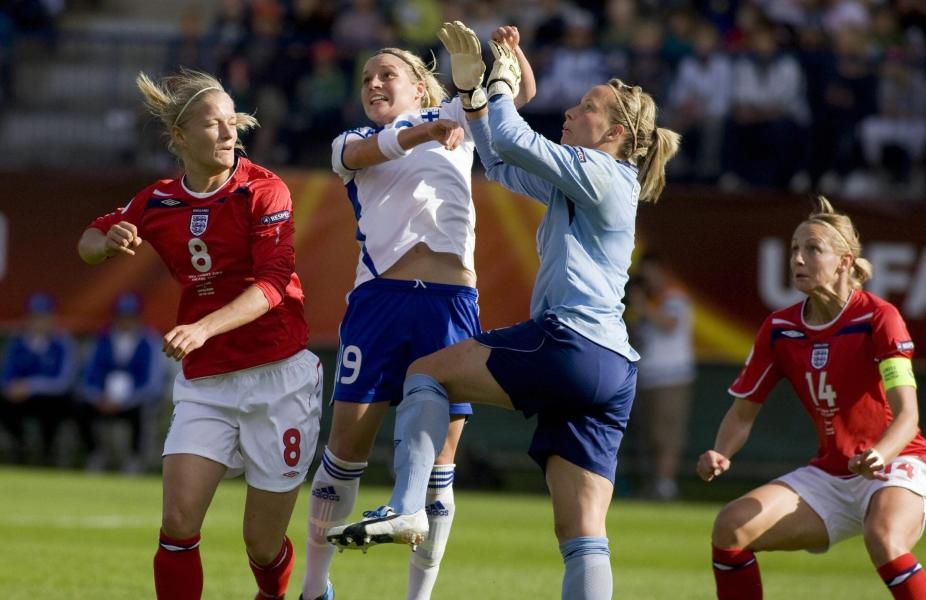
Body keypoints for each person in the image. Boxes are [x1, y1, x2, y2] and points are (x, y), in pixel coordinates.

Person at [328, 22, 680, 600]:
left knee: (425, 372)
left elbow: (514, 139)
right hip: (613, 371)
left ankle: (408, 505)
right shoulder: (589, 180)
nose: (571, 110)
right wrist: (472, 99)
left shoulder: (601, 172)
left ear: (616, 132)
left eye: (587, 108)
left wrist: (495, 84)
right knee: (583, 533)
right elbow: (498, 159)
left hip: (572, 344)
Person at [299, 22, 536, 600]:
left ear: (421, 86)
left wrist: (512, 55)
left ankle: (418, 595)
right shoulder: (351, 141)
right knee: (345, 447)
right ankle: (314, 586)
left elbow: (520, 96)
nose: (374, 84)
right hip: (379, 303)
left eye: (388, 75)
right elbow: (363, 152)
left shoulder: (460, 115)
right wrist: (427, 128)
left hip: (451, 306)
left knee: (439, 461)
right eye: (367, 78)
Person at [77, 68, 322, 600]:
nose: (229, 133)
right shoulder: (157, 201)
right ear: (179, 138)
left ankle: (275, 593)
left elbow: (275, 282)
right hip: (207, 382)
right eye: (214, 125)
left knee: (261, 543)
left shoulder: (264, 189)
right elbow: (89, 240)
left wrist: (202, 327)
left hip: (279, 378)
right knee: (180, 520)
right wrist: (107, 239)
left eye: (233, 122)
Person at [697, 196, 926, 600]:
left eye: (813, 249)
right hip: (833, 473)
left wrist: (879, 454)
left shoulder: (878, 317)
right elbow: (742, 414)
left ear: (845, 261)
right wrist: (722, 451)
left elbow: (907, 415)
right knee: (730, 527)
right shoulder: (780, 328)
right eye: (794, 248)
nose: (798, 258)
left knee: (883, 537)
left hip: (899, 461)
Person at [626, 253, 695, 501]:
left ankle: (666, 485)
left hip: (672, 376)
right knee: (649, 435)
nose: (649, 280)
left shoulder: (674, 296)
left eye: (652, 273)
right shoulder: (647, 303)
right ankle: (653, 483)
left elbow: (670, 324)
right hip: (647, 376)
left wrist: (643, 305)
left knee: (667, 433)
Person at [76, 291, 168, 473]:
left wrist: (126, 401)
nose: (125, 322)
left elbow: (153, 382)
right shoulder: (101, 340)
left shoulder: (150, 342)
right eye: (122, 316)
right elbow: (89, 374)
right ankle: (96, 454)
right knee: (80, 408)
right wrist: (98, 397)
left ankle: (134, 459)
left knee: (142, 412)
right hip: (103, 399)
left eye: (130, 317)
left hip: (134, 400)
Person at [0, 292, 77, 465]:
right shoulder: (17, 342)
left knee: (58, 405)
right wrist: (12, 388)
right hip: (21, 399)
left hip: (49, 398)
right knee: (6, 404)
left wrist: (31, 386)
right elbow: (6, 375)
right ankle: (18, 448)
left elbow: (63, 381)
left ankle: (47, 453)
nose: (38, 322)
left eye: (43, 317)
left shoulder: (62, 343)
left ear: (52, 319)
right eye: (34, 317)